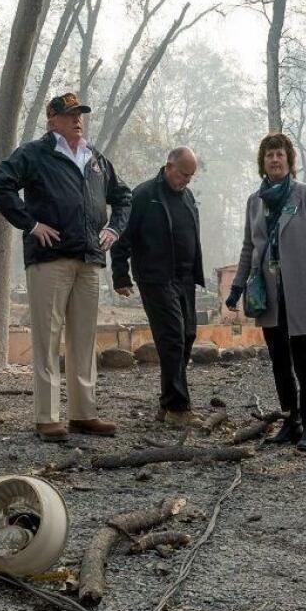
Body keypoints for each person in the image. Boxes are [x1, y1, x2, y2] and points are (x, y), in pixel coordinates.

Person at [0, 92, 132, 442]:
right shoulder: (34, 154)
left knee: (83, 339)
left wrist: (113, 228)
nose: (77, 120)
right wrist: (30, 224)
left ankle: (84, 414)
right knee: (47, 338)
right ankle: (47, 417)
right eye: (69, 115)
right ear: (52, 120)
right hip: (49, 259)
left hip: (90, 259)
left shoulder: (95, 159)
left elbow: (124, 197)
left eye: (80, 114)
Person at [226, 133, 306, 451]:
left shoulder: (304, 196)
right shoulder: (254, 201)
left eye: (280, 154)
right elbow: (249, 247)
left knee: (303, 359)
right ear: (263, 162)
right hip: (268, 294)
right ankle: (291, 419)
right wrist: (236, 286)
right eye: (269, 155)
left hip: (300, 291)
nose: (274, 159)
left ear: (289, 160)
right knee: (278, 360)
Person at [112, 147, 205, 429]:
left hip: (185, 278)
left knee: (187, 335)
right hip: (155, 278)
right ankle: (178, 407)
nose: (187, 181)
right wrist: (121, 275)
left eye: (191, 176)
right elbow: (122, 237)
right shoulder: (144, 196)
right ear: (168, 167)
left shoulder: (187, 196)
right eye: (183, 174)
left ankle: (168, 402)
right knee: (172, 337)